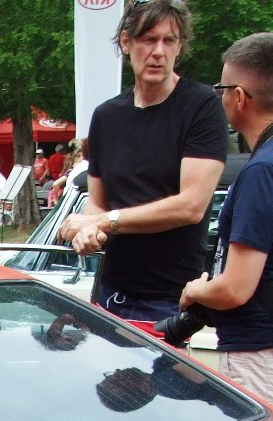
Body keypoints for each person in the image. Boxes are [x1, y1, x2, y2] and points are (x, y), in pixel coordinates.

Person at [178, 32, 273, 421]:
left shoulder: (265, 169)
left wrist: (195, 291)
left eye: (222, 88)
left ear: (239, 96)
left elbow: (234, 288)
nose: (220, 96)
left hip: (260, 356)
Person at [59, 0, 228, 321]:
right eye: (149, 39)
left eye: (169, 41)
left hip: (169, 301)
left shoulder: (201, 106)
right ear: (126, 42)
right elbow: (97, 200)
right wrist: (89, 233)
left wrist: (104, 222)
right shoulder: (106, 116)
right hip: (110, 292)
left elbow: (191, 206)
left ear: (180, 47)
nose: (159, 51)